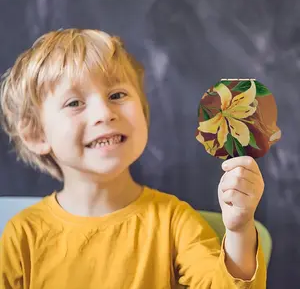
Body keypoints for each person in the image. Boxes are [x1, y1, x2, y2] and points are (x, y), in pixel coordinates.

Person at [0, 28, 266, 288]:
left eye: (117, 95)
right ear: (36, 134)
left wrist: (239, 230)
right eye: (74, 103)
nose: (104, 113)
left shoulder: (174, 221)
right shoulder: (23, 235)